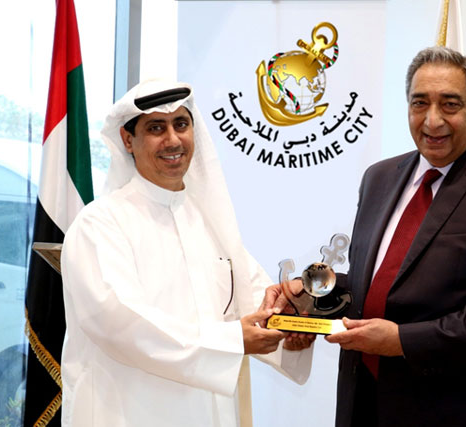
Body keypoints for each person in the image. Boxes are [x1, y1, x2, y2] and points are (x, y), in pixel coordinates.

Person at [60, 79, 312, 427]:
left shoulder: (209, 223)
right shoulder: (100, 224)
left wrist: (290, 328)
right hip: (131, 414)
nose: (173, 139)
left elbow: (253, 301)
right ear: (128, 140)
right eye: (156, 128)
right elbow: (119, 322)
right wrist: (231, 340)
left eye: (181, 124)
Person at [324, 46, 466, 426]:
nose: (432, 120)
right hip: (365, 403)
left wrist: (402, 342)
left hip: (459, 411)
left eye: (449, 104)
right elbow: (380, 287)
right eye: (420, 103)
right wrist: (312, 298)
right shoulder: (379, 178)